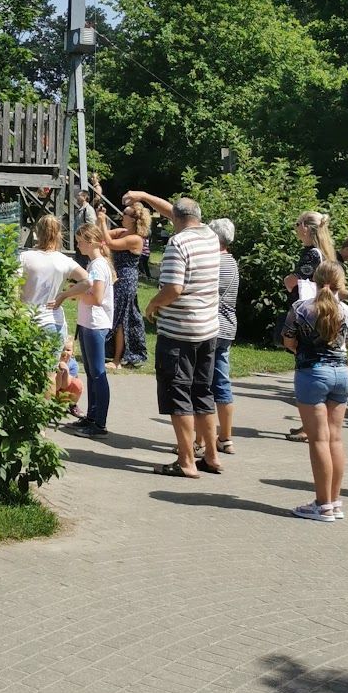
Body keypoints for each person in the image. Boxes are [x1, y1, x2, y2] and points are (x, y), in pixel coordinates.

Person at [127, 191, 222, 478]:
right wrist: (144, 196)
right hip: (208, 330)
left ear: (176, 221)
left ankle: (186, 462)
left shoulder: (177, 244)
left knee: (178, 395)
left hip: (179, 334)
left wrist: (153, 304)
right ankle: (212, 457)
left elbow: (173, 289)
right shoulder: (210, 236)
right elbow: (178, 211)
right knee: (203, 392)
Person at [282, 260, 348, 521]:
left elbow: (288, 339)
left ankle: (322, 505)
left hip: (312, 373)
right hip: (342, 375)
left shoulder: (301, 308)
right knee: (335, 439)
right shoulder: (346, 310)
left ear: (313, 279)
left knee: (319, 440)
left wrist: (299, 348)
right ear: (340, 283)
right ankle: (334, 501)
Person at [48, 223, 114, 437]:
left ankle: (99, 422)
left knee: (97, 374)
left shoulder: (98, 265)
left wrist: (70, 294)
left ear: (92, 241)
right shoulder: (95, 263)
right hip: (88, 323)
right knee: (92, 373)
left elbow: (96, 296)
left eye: (80, 241)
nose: (78, 245)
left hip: (95, 324)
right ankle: (92, 416)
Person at [282, 210, 336, 439]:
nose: (295, 228)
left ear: (306, 226)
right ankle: (308, 425)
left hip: (308, 315)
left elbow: (293, 281)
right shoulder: (323, 252)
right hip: (319, 312)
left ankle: (309, 427)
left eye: (297, 223)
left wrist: (287, 281)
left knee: (305, 366)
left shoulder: (311, 254)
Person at [17, 215, 89, 345]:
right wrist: (63, 295)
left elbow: (12, 287)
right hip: (53, 322)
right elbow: (88, 281)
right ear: (59, 234)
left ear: (37, 233)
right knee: (51, 365)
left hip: (26, 320)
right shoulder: (64, 260)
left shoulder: (24, 257)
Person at [100, 202, 151, 370]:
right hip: (118, 277)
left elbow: (110, 243)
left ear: (134, 219)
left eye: (125, 214)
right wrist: (100, 219)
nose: (122, 216)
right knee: (119, 315)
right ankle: (118, 354)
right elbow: (104, 235)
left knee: (122, 318)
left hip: (126, 279)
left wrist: (101, 221)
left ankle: (117, 360)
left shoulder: (135, 238)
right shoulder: (123, 232)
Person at [205, 218, 239, 455]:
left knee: (203, 384)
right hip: (227, 327)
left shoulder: (214, 262)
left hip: (211, 327)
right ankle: (225, 437)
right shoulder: (232, 261)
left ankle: (199, 440)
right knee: (222, 382)